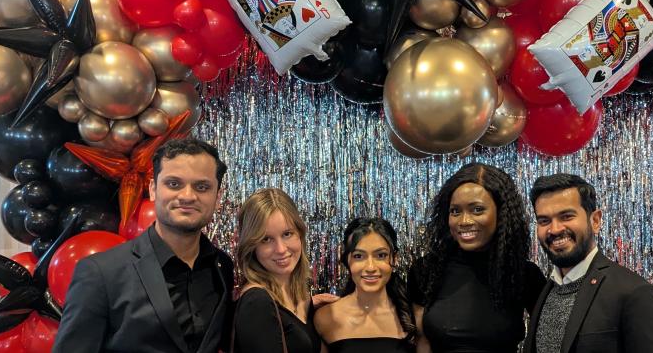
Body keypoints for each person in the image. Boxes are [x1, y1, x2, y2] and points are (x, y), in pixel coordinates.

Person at [53, 138, 235, 353]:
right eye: (174, 184)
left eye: (202, 186)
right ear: (153, 189)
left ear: (218, 196)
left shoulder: (222, 267)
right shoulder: (100, 273)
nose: (188, 196)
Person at [523, 173, 653, 353]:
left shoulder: (634, 293)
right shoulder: (546, 291)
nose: (554, 229)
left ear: (595, 220)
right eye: (544, 220)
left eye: (566, 216)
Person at [408, 163, 546, 353]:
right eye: (455, 211)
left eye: (477, 210)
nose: (464, 221)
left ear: (501, 213)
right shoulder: (426, 270)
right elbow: (422, 343)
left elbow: (550, 340)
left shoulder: (524, 275)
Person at [233, 188, 326, 353]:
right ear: (252, 246)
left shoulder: (299, 297)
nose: (281, 249)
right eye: (266, 239)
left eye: (287, 234)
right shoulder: (257, 302)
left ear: (300, 234)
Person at [314, 218, 415, 353]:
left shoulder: (412, 316)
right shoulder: (326, 318)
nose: (370, 267)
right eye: (358, 256)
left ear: (394, 258)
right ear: (346, 260)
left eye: (381, 255)